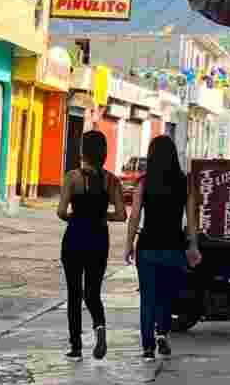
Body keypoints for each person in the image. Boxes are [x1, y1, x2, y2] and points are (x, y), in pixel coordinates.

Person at [124, 135, 202, 361]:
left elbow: (135, 217)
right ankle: (162, 333)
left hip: (147, 247)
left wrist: (129, 245)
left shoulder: (144, 183)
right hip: (173, 248)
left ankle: (148, 349)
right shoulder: (185, 183)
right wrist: (194, 246)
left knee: (148, 298)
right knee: (167, 296)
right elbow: (192, 221)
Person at [58, 130, 128, 360]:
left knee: (74, 293)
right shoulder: (112, 180)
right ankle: (100, 328)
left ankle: (76, 348)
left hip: (75, 238)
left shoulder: (72, 177)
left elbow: (61, 212)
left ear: (83, 151)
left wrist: (76, 218)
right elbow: (121, 215)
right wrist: (101, 216)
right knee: (92, 293)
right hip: (99, 239)